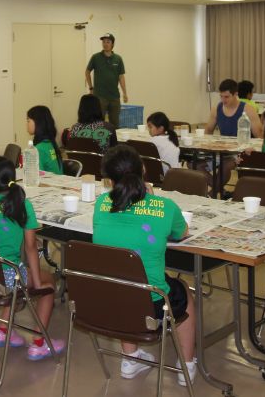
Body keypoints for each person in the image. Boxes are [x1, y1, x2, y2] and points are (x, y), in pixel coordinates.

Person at [92, 145, 196, 387]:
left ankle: (130, 359)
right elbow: (182, 232)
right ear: (143, 169)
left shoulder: (100, 203)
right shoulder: (164, 206)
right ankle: (187, 365)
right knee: (184, 291)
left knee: (123, 282)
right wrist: (151, 199)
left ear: (109, 180)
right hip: (152, 303)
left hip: (107, 298)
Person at [0, 157, 63, 360]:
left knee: (13, 275)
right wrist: (38, 283)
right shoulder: (23, 205)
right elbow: (31, 247)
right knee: (48, 282)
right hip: (7, 276)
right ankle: (39, 342)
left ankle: (3, 330)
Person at [202, 79, 263, 188]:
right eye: (221, 96)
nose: (223, 100)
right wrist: (206, 148)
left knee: (225, 166)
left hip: (240, 152)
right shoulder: (216, 109)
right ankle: (216, 189)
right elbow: (208, 130)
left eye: (226, 97)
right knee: (193, 164)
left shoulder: (248, 110)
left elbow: (260, 136)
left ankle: (213, 192)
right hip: (222, 151)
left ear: (236, 94)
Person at [85, 33, 127, 126]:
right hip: (100, 96)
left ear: (112, 44)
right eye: (104, 42)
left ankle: (113, 136)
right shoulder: (95, 57)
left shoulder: (118, 59)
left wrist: (125, 93)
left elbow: (121, 77)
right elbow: (87, 72)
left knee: (115, 124)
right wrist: (91, 88)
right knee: (98, 123)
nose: (105, 44)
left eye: (108, 42)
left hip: (114, 97)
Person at [26, 106, 63, 174]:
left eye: (28, 121)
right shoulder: (50, 143)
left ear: (38, 123)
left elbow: (35, 176)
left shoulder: (39, 149)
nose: (26, 124)